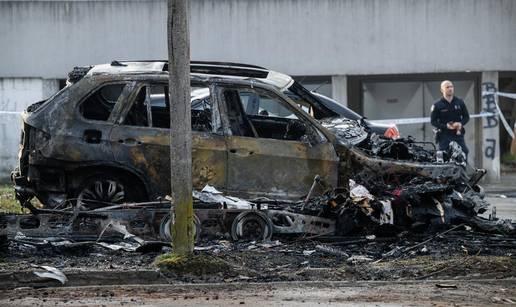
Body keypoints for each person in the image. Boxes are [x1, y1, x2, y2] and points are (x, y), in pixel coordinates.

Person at [430, 80, 470, 158]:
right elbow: (433, 121)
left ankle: (463, 170)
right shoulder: (437, 105)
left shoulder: (460, 102)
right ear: (442, 90)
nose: (450, 89)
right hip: (444, 135)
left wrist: (460, 124)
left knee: (464, 152)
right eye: (447, 87)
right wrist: (446, 126)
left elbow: (466, 117)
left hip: (457, 134)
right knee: (444, 155)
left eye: (451, 86)